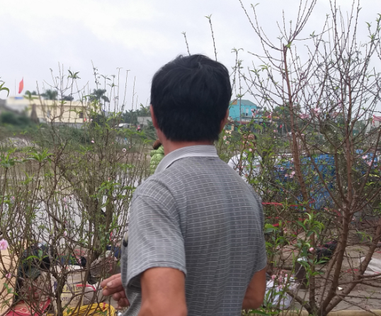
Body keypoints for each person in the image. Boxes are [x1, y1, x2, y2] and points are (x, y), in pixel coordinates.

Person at [101, 54, 267, 315]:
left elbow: (164, 309)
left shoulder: (158, 193)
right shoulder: (247, 194)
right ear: (224, 119)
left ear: (154, 116)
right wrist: (146, 282)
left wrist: (156, 295)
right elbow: (253, 294)